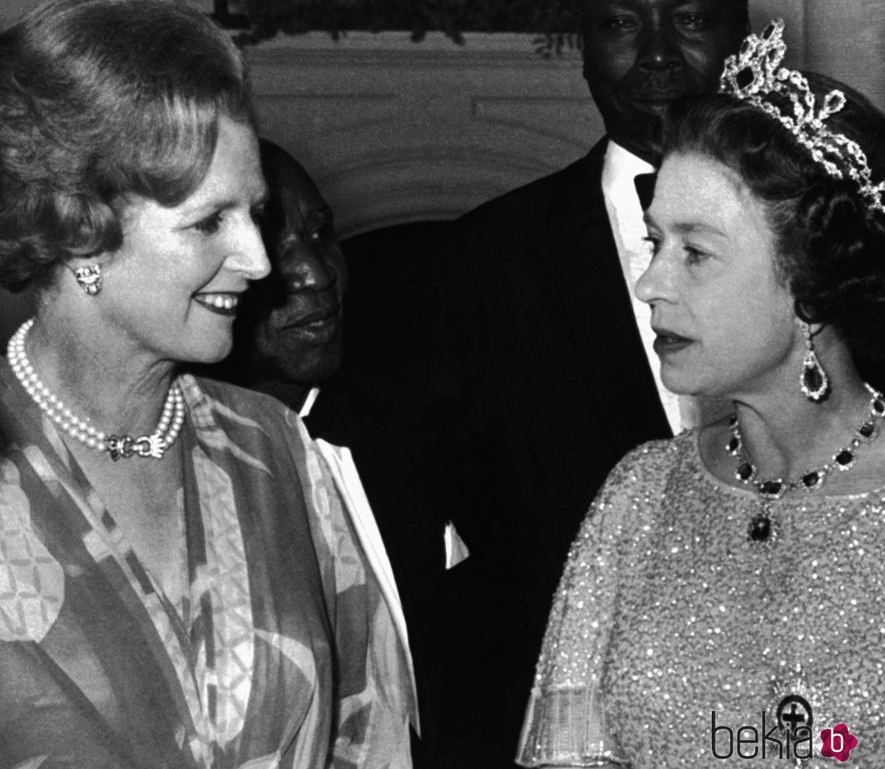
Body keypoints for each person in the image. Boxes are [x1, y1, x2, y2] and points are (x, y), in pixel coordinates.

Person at [0, 2, 411, 768]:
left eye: (258, 213)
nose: (260, 259)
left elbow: (369, 732)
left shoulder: (277, 448)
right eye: (210, 222)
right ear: (78, 228)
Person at [517, 20, 885, 766]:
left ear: (809, 281)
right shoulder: (641, 495)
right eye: (655, 242)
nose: (652, 283)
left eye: (697, 250)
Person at [425, 0, 750, 751]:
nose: (659, 54)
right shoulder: (484, 262)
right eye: (621, 24)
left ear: (744, 37)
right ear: (581, 46)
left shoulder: (828, 238)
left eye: (692, 18)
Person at [209, 140, 497, 768]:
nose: (318, 274)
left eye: (321, 235)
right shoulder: (176, 472)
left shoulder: (423, 429)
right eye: (278, 248)